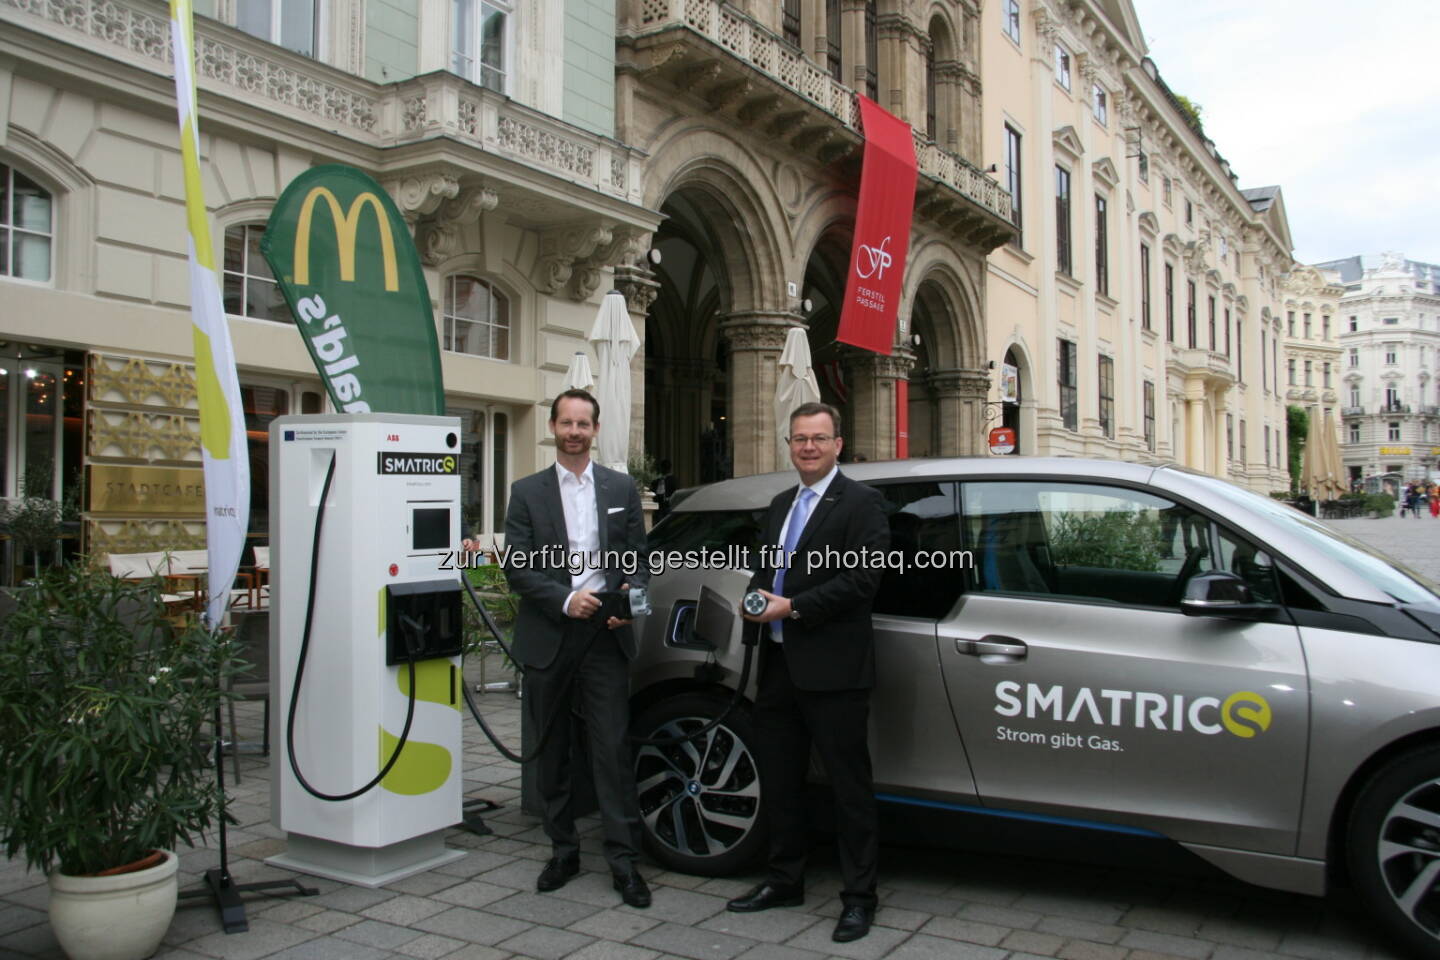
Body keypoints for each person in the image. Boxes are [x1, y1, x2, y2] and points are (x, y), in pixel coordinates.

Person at [468, 389, 652, 908]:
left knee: (611, 747)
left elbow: (639, 558)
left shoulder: (620, 487)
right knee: (551, 752)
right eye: (566, 423)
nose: (574, 431)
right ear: (552, 426)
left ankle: (623, 862)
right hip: (552, 630)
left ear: (595, 430)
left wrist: (628, 603)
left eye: (583, 424)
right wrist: (566, 599)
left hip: (606, 633)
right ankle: (563, 849)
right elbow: (518, 564)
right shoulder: (526, 491)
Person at [727, 401, 890, 943]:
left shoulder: (862, 503)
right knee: (779, 781)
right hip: (776, 665)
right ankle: (784, 880)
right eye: (800, 439)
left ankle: (859, 898)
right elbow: (766, 570)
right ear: (790, 445)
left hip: (835, 670)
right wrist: (755, 607)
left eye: (819, 438)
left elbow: (862, 582)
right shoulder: (779, 504)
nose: (809, 447)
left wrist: (791, 608)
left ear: (838, 444)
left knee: (849, 788)